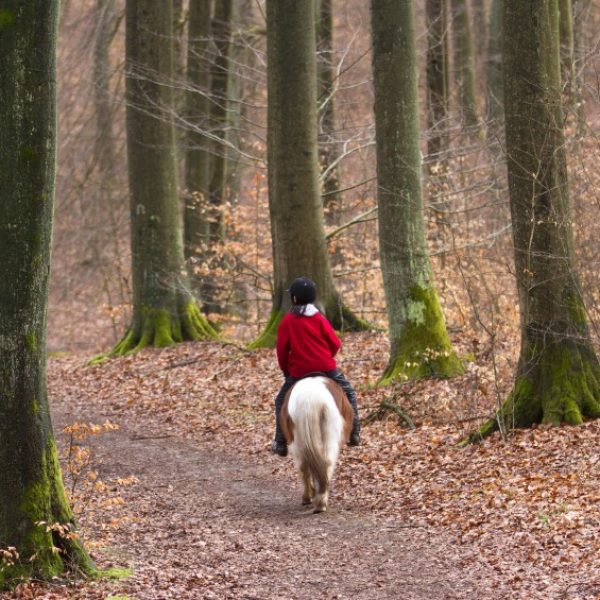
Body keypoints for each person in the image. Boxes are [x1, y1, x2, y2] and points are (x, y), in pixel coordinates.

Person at [271, 276, 361, 457]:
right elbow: (335, 343)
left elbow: (281, 350)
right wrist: (326, 358)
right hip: (326, 368)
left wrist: (286, 370)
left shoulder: (288, 321)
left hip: (299, 372)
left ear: (294, 298)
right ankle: (354, 432)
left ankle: (280, 442)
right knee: (349, 392)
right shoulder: (319, 318)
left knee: (280, 401)